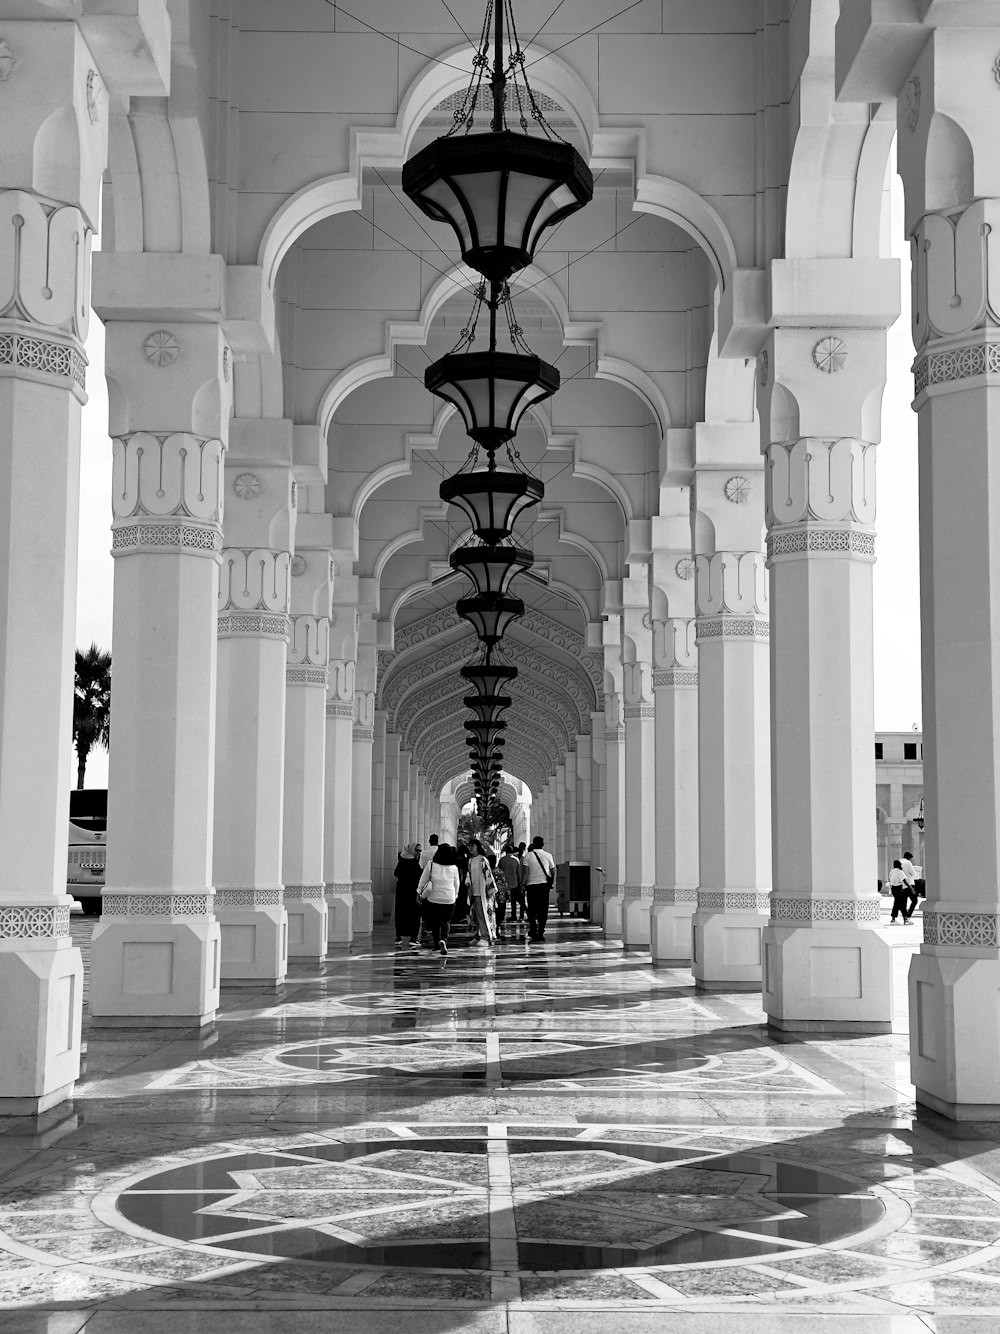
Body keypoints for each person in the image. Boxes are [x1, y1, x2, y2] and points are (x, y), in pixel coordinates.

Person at [416, 842, 461, 955]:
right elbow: (457, 884)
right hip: (449, 897)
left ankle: (436, 944)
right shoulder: (454, 867)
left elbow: (423, 879)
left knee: (435, 921)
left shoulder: (431, 864)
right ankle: (443, 940)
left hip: (434, 897)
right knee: (446, 921)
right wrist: (455, 896)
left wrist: (418, 892)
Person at [521, 835, 556, 941]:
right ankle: (541, 931)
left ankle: (533, 930)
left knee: (532, 909)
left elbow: (525, 872)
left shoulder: (528, 856)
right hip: (544, 886)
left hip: (531, 886)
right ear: (543, 844)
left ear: (533, 844)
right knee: (543, 909)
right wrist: (551, 881)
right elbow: (553, 871)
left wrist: (523, 885)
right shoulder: (548, 855)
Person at [392, 842, 423, 948]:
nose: (419, 853)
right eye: (417, 850)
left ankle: (399, 936)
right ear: (412, 850)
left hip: (402, 890)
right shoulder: (414, 862)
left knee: (401, 913)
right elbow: (420, 875)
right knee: (414, 914)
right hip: (412, 891)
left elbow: (396, 873)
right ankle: (413, 937)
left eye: (420, 851)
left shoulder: (402, 861)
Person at [467, 838, 497, 946]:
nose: (470, 848)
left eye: (472, 846)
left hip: (483, 893)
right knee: (476, 916)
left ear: (478, 847)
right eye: (469, 846)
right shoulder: (470, 861)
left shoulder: (483, 860)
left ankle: (485, 937)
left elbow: (488, 874)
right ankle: (479, 935)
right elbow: (469, 876)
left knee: (483, 915)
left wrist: (491, 890)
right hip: (474, 893)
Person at [499, 844, 524, 922]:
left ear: (506, 851)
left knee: (503, 902)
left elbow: (499, 871)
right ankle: (514, 915)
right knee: (514, 901)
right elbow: (519, 873)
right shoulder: (516, 860)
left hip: (504, 884)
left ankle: (502, 916)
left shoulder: (502, 860)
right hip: (514, 883)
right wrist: (520, 882)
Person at [888, 859, 910, 924]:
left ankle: (896, 918)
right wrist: (910, 887)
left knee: (897, 903)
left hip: (893, 889)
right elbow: (904, 881)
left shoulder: (892, 871)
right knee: (901, 904)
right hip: (898, 888)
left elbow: (890, 878)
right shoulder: (900, 872)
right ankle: (904, 919)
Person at [901, 849, 919, 917]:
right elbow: (913, 873)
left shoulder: (899, 862)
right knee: (914, 901)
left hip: (901, 885)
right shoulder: (908, 863)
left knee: (904, 902)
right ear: (909, 857)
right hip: (909, 885)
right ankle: (909, 915)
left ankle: (905, 918)